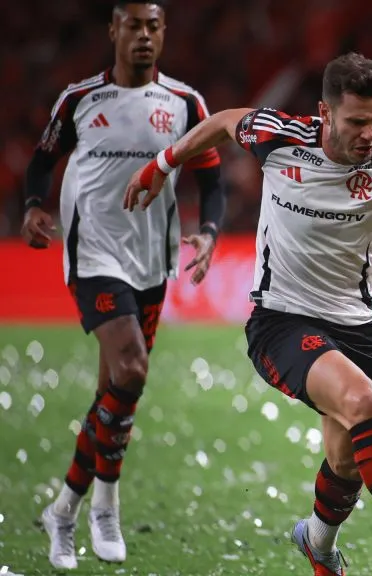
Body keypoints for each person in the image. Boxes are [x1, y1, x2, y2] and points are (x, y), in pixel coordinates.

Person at [123, 52, 372, 576]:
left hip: (357, 329)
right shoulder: (279, 136)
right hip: (281, 322)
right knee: (364, 404)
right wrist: (161, 165)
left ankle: (317, 542)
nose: (370, 133)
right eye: (357, 121)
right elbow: (222, 123)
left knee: (346, 462)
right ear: (325, 112)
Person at [22, 1, 226, 569]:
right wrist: (34, 205)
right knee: (132, 371)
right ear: (113, 29)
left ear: (164, 34)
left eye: (153, 26)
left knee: (114, 393)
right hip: (93, 254)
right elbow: (41, 161)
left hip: (152, 260)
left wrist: (211, 232)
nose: (143, 36)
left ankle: (64, 508)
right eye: (133, 25)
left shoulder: (185, 103)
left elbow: (212, 181)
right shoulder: (80, 99)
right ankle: (106, 505)